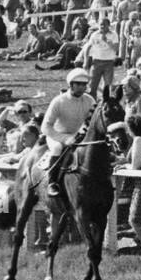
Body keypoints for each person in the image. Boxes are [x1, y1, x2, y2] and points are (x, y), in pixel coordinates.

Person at [40, 68, 97, 198]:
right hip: (57, 136)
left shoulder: (90, 100)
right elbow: (45, 127)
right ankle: (52, 182)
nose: (82, 87)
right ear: (71, 84)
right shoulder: (58, 101)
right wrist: (64, 139)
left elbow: (92, 122)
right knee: (57, 148)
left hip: (79, 136)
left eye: (84, 85)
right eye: (79, 84)